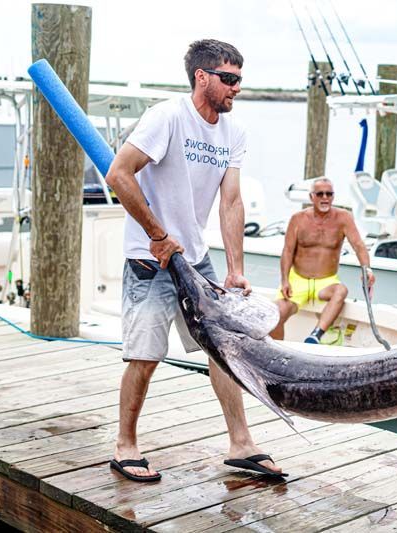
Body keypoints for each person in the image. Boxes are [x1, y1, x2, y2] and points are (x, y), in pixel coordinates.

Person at [104, 39, 284, 482]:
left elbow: (231, 202)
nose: (236, 88)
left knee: (225, 354)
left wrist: (236, 268)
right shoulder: (167, 117)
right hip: (151, 260)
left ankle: (241, 443)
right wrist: (158, 236)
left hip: (196, 261)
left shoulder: (232, 132)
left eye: (240, 79)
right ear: (201, 77)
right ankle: (125, 444)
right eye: (229, 79)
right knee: (145, 356)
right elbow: (118, 174)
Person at [271, 178, 376, 344]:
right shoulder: (298, 219)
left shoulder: (343, 218)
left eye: (329, 194)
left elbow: (358, 246)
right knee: (275, 313)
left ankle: (315, 336)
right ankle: (277, 350)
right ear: (312, 197)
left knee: (341, 291)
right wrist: (284, 280)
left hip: (326, 282)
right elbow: (288, 251)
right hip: (297, 280)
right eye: (320, 194)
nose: (325, 197)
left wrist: (367, 269)